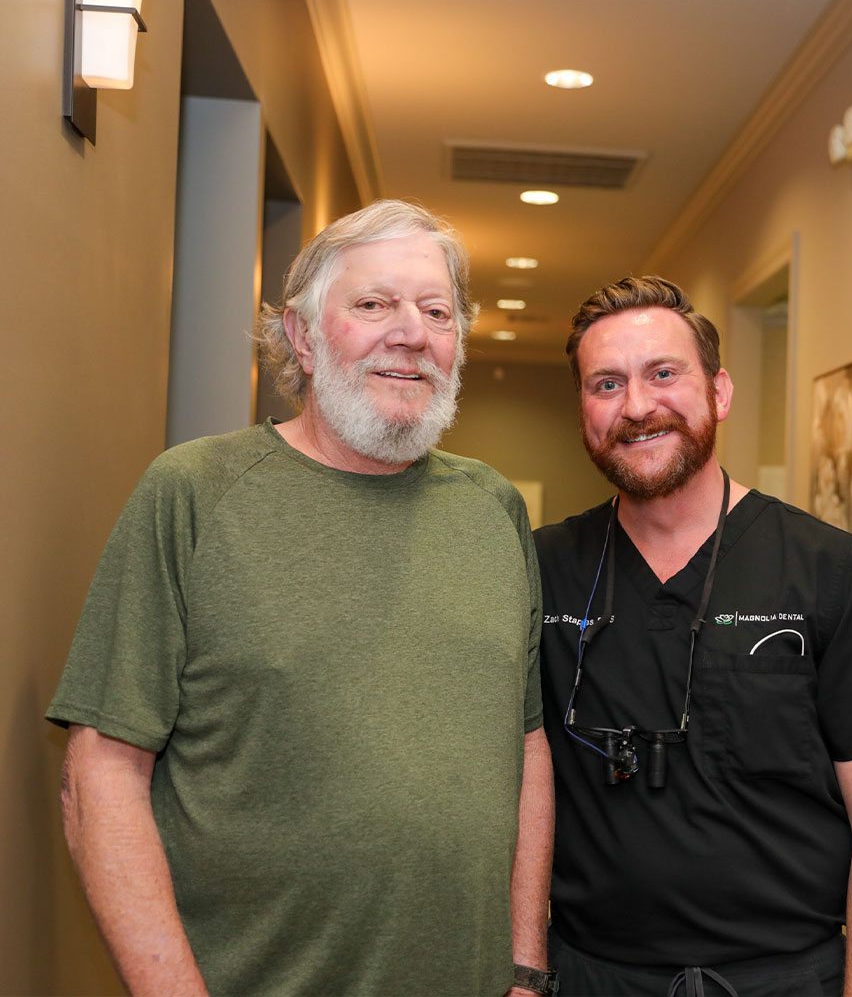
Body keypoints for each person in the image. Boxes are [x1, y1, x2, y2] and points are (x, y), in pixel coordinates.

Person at [47, 200, 555, 997]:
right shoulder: (193, 492)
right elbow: (101, 774)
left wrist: (524, 968)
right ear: (303, 335)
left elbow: (523, 747)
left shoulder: (491, 508)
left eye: (435, 311)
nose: (410, 333)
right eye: (372, 304)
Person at [535, 275, 852, 997]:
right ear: (582, 408)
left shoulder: (828, 570)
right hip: (588, 976)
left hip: (786, 980)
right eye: (605, 384)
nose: (636, 406)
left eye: (662, 374)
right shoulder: (543, 570)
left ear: (719, 393)